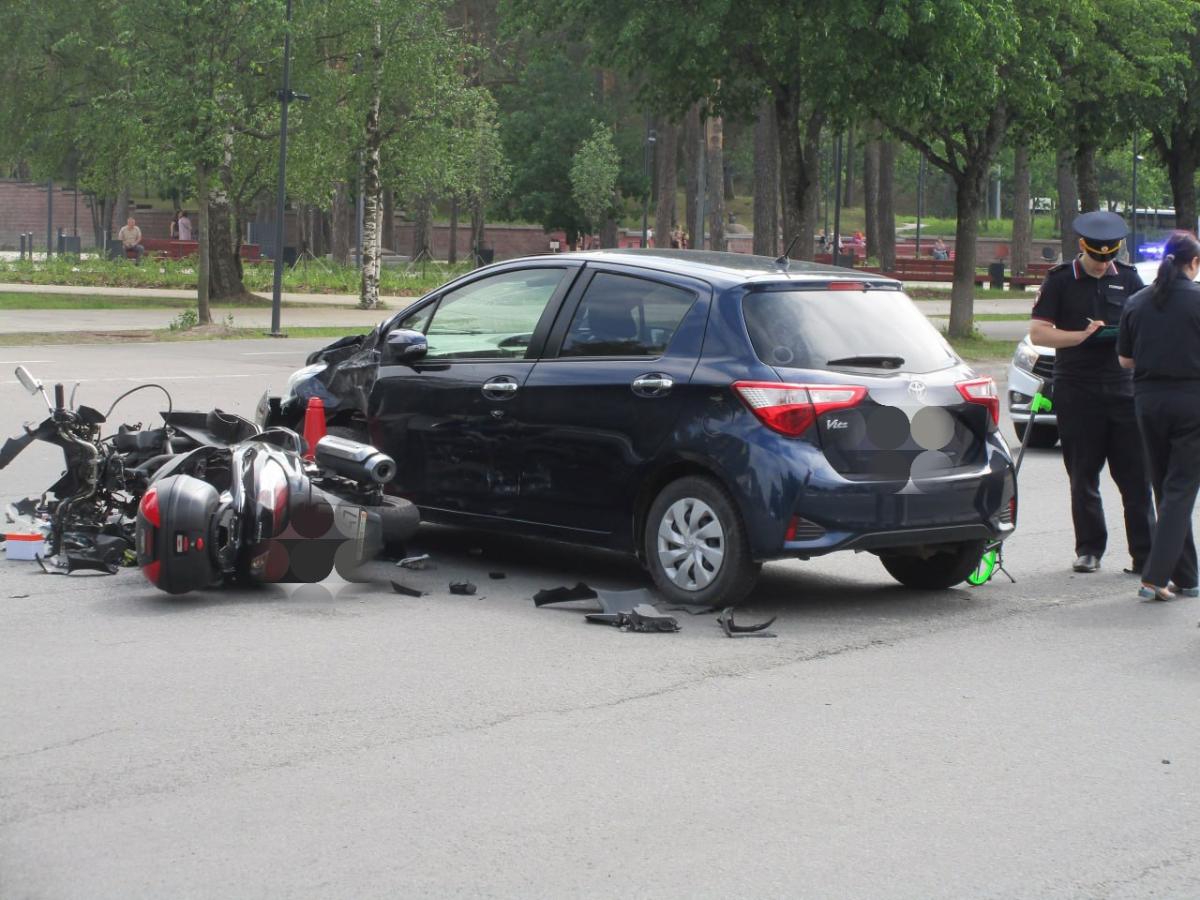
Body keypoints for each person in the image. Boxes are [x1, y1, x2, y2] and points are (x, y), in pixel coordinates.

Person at [1030, 210, 1154, 574]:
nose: (1103, 264)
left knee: (1135, 477)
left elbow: (1146, 326)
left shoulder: (1131, 281)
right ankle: (1089, 549)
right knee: (1083, 474)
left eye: (1109, 257)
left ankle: (1144, 555)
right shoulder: (1059, 281)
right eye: (1097, 257)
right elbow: (1039, 333)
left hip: (1123, 390)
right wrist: (1080, 337)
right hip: (1077, 389)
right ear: (1083, 248)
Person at [1117, 231, 1200, 601]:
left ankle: (1187, 574)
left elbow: (1125, 359)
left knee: (1165, 488)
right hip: (1192, 400)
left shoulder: (1137, 301)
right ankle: (1154, 576)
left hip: (1148, 400)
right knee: (1180, 490)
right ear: (1193, 263)